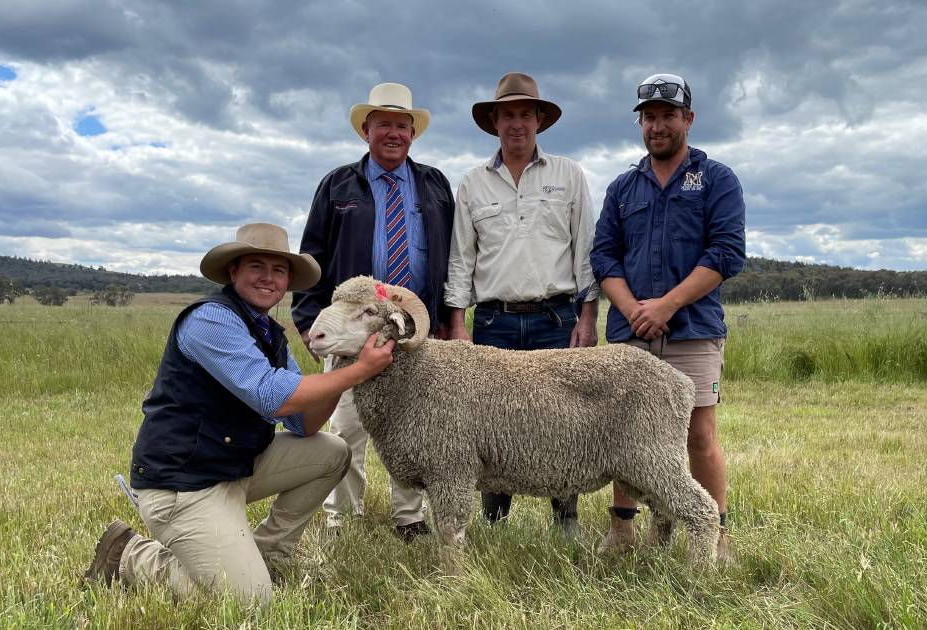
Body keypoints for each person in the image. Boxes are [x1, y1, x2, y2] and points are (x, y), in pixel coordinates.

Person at [86, 223, 395, 604]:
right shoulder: (210, 321)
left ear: (287, 281)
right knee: (249, 603)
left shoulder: (269, 334)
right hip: (184, 485)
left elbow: (304, 422)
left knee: (332, 450)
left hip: (236, 466)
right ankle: (129, 555)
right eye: (256, 266)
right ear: (233, 272)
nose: (268, 278)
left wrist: (342, 365)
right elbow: (271, 397)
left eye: (278, 270)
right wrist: (360, 370)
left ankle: (269, 557)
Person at [590, 73, 745, 558]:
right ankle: (623, 530)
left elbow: (726, 252)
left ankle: (714, 534)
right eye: (649, 117)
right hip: (630, 330)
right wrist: (634, 309)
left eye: (667, 116)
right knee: (622, 431)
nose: (657, 126)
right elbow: (604, 258)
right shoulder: (623, 188)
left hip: (692, 329)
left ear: (688, 120)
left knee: (699, 432)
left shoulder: (716, 180)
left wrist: (667, 305)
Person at [292, 83, 455, 541]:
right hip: (352, 327)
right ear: (366, 130)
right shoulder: (338, 185)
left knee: (418, 423)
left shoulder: (435, 184)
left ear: (412, 133)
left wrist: (445, 318)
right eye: (383, 124)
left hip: (416, 326)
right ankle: (344, 518)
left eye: (401, 125)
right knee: (346, 422)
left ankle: (409, 517)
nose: (393, 133)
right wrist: (309, 321)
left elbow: (453, 252)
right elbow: (313, 258)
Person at [444, 72, 599, 537]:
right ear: (494, 121)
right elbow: (460, 259)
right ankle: (495, 521)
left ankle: (565, 518)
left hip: (557, 317)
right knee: (491, 423)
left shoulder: (568, 175)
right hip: (494, 320)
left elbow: (585, 250)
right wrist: (458, 324)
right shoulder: (473, 183)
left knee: (562, 423)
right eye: (508, 114)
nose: (517, 123)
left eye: (525, 114)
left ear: (539, 120)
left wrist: (588, 319)